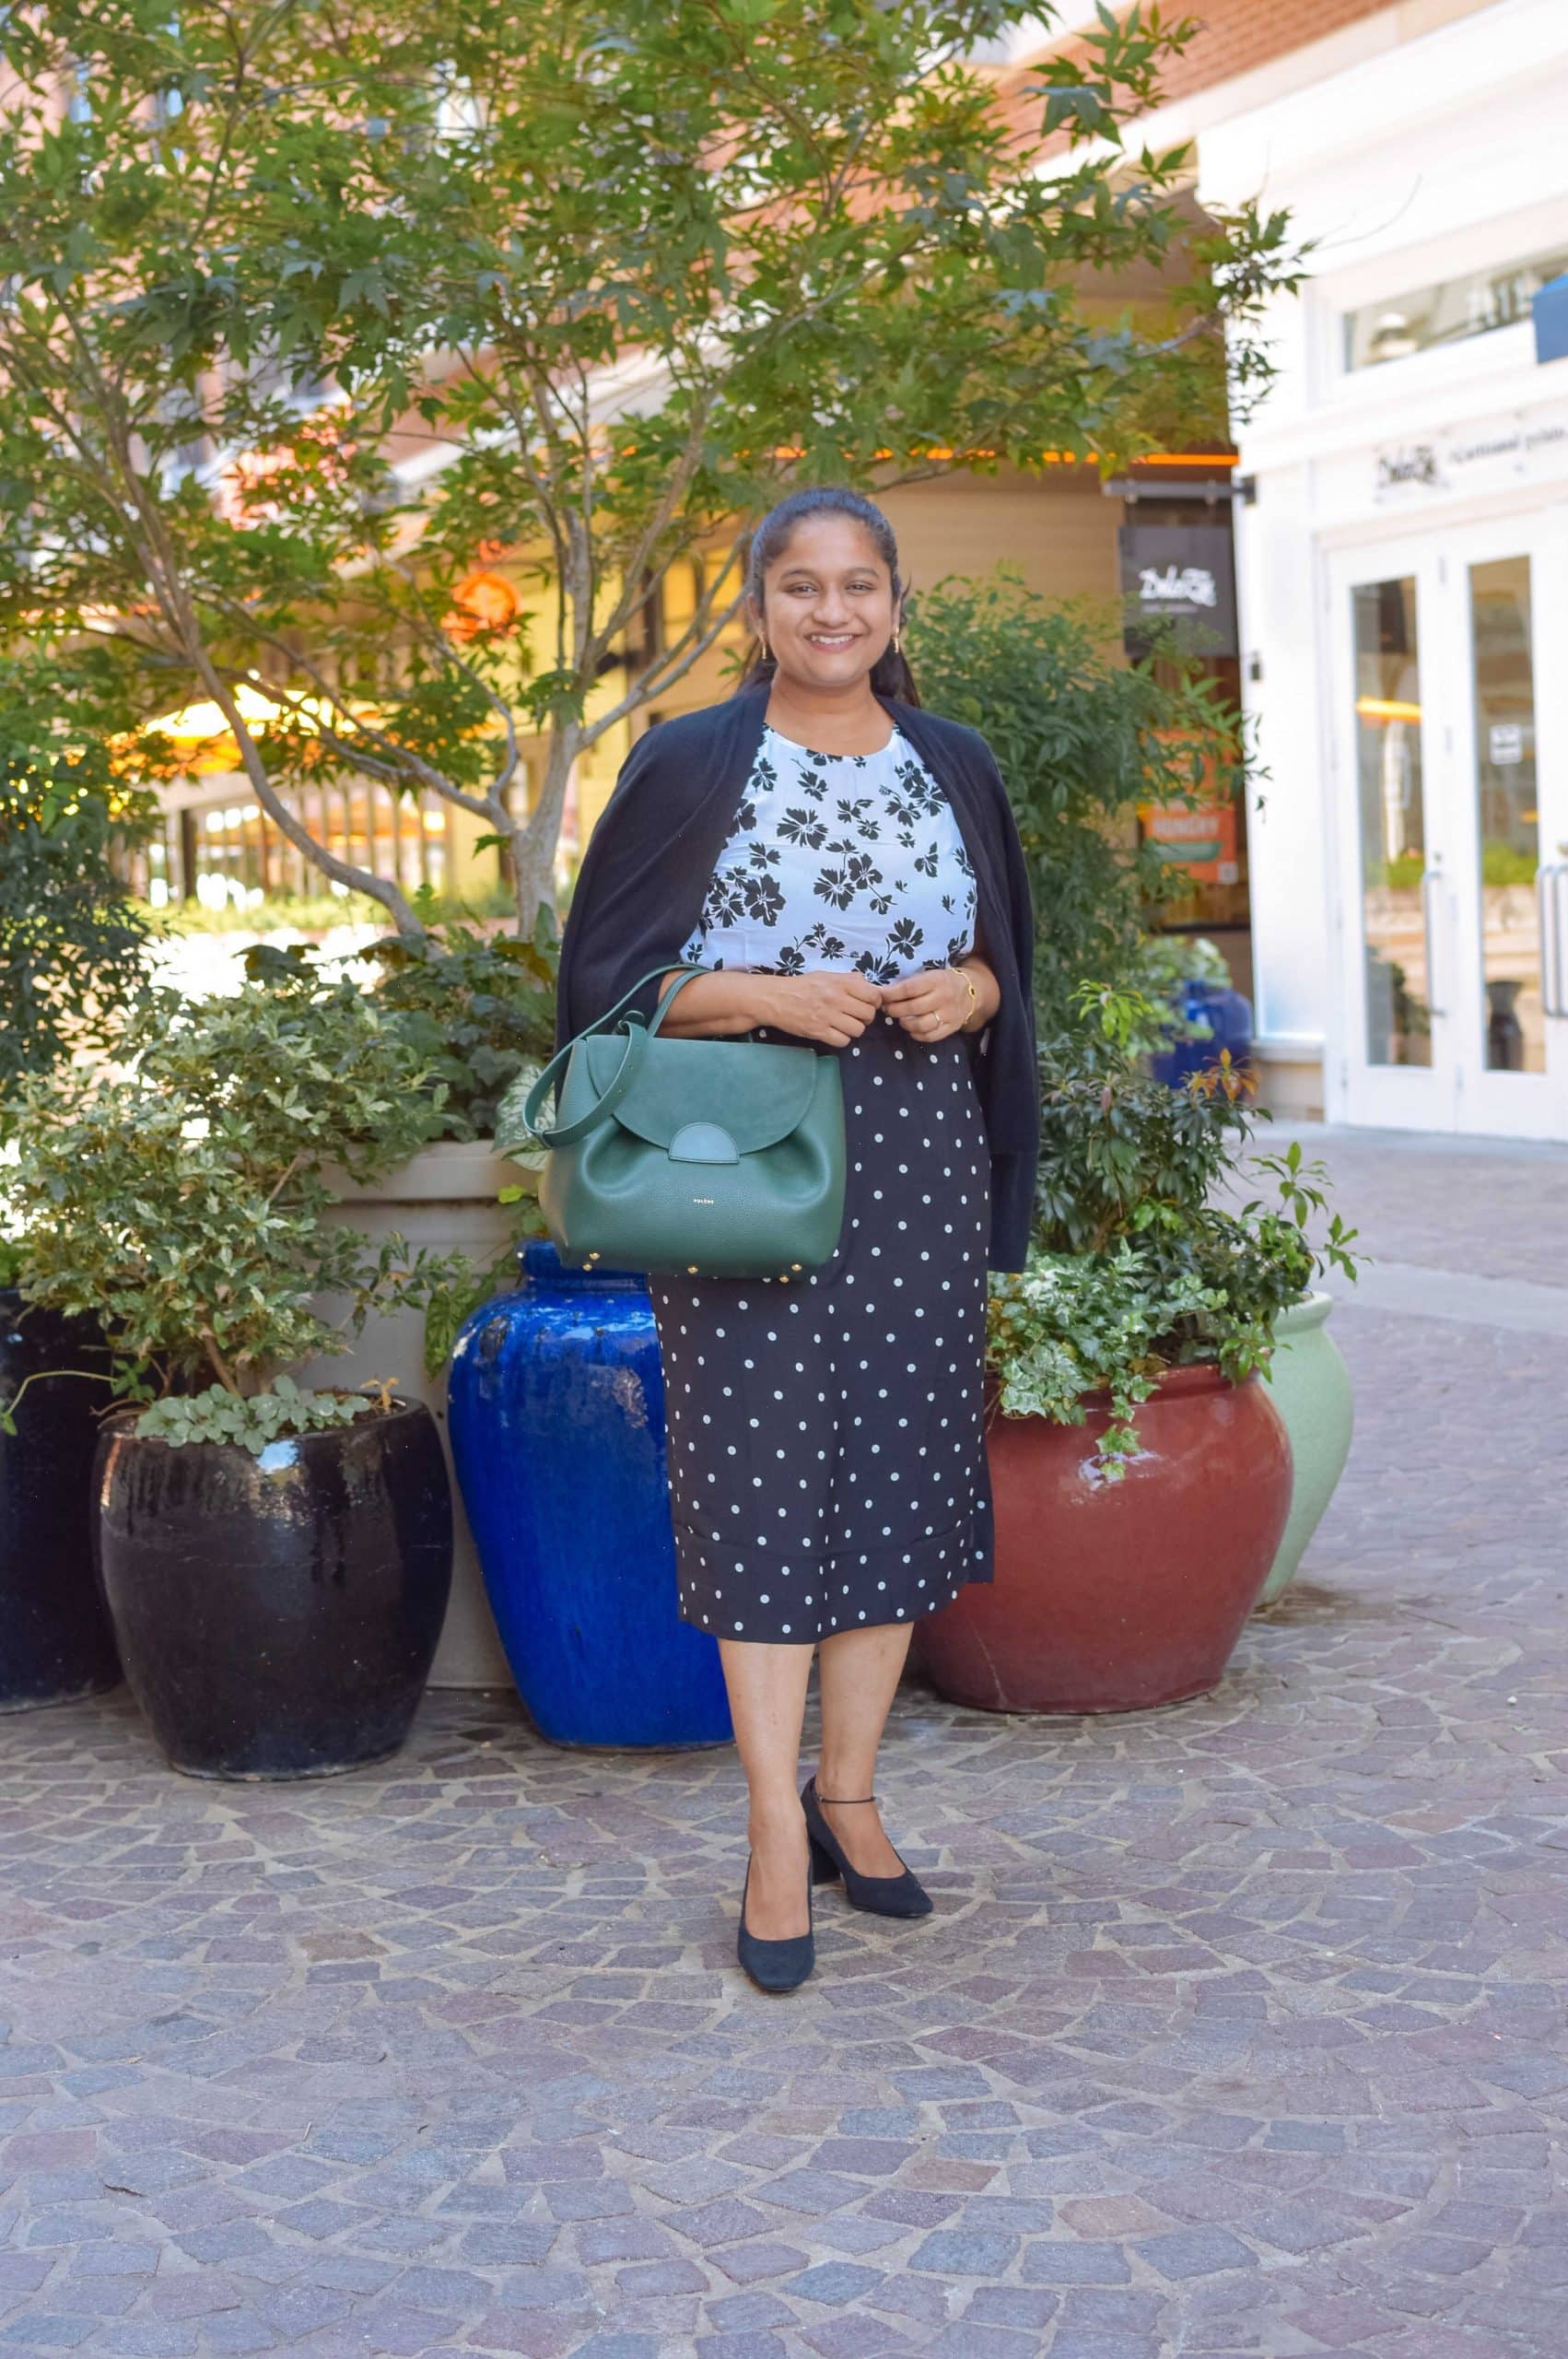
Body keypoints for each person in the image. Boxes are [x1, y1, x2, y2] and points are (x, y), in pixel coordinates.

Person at [556, 486, 1036, 1990]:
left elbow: (1004, 961)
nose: (834, 612)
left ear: (897, 606)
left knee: (896, 1472)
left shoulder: (952, 760)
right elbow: (602, 987)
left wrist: (976, 992)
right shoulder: (694, 760)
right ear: (757, 606)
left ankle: (852, 1796)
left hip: (919, 1153)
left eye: (863, 587)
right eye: (802, 587)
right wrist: (762, 993)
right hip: (745, 1153)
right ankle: (773, 1830)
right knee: (762, 1481)